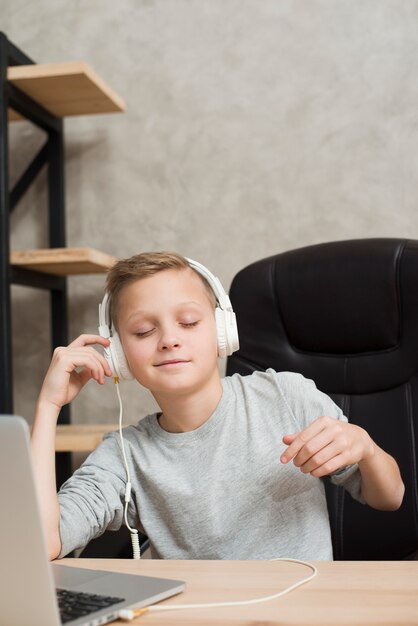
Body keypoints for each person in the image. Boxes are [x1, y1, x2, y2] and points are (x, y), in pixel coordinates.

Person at [31, 252, 405, 562]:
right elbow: (42, 544)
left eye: (189, 322)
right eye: (144, 331)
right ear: (119, 355)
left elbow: (390, 498)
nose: (170, 340)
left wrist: (367, 448)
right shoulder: (125, 457)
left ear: (223, 331)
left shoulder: (286, 396)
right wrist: (49, 406)